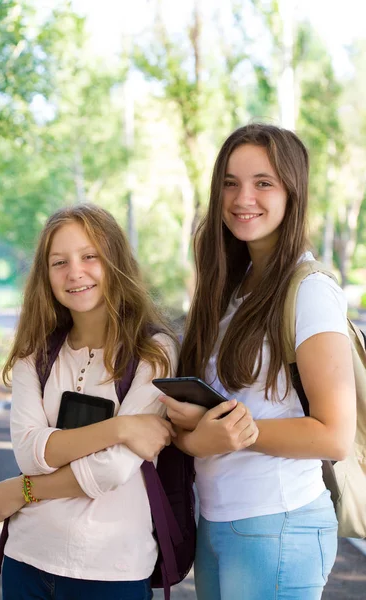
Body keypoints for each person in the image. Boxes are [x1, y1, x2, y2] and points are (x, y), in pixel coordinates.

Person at [161, 123, 356, 600]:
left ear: (293, 190)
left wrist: (225, 431)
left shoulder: (309, 291)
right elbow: (211, 423)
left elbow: (334, 433)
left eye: (263, 182)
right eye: (230, 182)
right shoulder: (233, 288)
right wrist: (197, 435)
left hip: (278, 523)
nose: (242, 196)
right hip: (218, 521)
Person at [0, 204, 178, 600]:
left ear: (115, 262)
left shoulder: (153, 352)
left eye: (90, 256)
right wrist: (120, 427)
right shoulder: (33, 355)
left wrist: (24, 492)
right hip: (28, 560)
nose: (75, 272)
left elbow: (112, 468)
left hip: (112, 568)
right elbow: (29, 453)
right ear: (46, 275)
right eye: (60, 262)